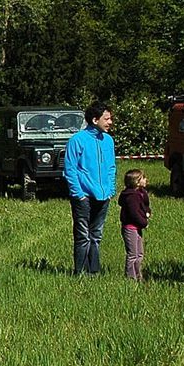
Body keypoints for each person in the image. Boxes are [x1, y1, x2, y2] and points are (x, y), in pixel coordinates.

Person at [62, 102, 117, 275]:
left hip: (103, 196)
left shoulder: (108, 141)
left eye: (110, 118)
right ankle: (80, 272)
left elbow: (111, 167)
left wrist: (110, 189)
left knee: (96, 235)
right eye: (106, 119)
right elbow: (70, 169)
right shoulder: (77, 140)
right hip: (83, 196)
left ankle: (94, 271)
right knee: (83, 236)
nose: (110, 122)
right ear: (95, 120)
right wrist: (78, 194)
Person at [118, 169, 151, 282]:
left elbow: (145, 206)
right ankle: (130, 277)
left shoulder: (141, 193)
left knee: (140, 253)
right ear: (136, 182)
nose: (146, 180)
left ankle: (138, 275)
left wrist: (147, 212)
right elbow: (134, 214)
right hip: (130, 228)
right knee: (132, 254)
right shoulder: (132, 197)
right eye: (143, 178)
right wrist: (144, 222)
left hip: (137, 228)